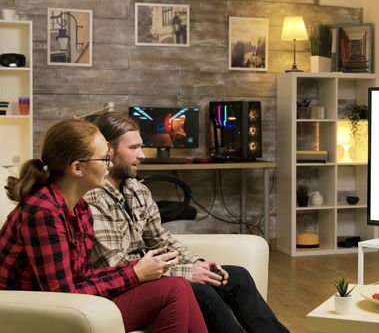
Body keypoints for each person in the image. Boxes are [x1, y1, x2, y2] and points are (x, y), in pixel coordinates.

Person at [84, 112, 288, 333]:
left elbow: (159, 238)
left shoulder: (137, 189)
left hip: (154, 272)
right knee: (201, 291)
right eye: (133, 148)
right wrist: (185, 272)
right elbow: (115, 266)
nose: (142, 155)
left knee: (238, 277)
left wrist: (196, 262)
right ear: (108, 151)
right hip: (130, 285)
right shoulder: (92, 198)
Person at [0, 119, 208, 333]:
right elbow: (62, 294)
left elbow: (81, 277)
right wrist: (135, 273)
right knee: (172, 289)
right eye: (104, 159)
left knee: (179, 286)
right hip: (32, 313)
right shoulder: (43, 212)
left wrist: (137, 268)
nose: (109, 165)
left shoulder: (79, 208)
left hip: (65, 304)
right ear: (77, 168)